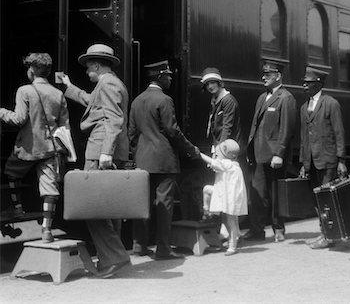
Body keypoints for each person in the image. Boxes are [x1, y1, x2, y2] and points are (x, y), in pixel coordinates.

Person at [61, 44, 131, 278]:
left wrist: (106, 153)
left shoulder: (108, 83)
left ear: (97, 65)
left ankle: (115, 257)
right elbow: (93, 102)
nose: (87, 72)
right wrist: (69, 87)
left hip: (101, 148)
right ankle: (111, 258)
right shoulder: (109, 83)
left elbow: (113, 118)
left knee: (93, 206)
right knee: (110, 208)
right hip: (107, 148)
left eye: (89, 68)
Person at [129, 60, 201, 260]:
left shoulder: (136, 101)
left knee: (141, 203)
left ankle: (138, 246)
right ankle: (163, 248)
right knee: (164, 204)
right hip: (164, 161)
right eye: (167, 75)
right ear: (159, 77)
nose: (170, 78)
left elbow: (132, 134)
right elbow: (172, 131)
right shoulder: (164, 100)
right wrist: (190, 149)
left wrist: (139, 155)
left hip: (143, 161)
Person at [0, 53, 69, 243]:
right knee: (50, 189)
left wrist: (2, 112)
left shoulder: (25, 91)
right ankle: (47, 230)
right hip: (52, 148)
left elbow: (19, 119)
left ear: (31, 70)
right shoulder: (58, 94)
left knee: (11, 172)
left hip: (29, 148)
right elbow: (64, 125)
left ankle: (17, 207)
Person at [245, 60, 296, 242]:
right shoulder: (262, 98)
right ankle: (257, 230)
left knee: (276, 194)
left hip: (274, 155)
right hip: (259, 153)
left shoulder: (286, 98)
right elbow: (255, 126)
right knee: (257, 194)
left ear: (278, 76)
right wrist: (250, 150)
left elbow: (287, 129)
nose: (263, 77)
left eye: (268, 74)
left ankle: (278, 229)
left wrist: (279, 154)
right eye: (263, 74)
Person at [299, 66, 347, 249]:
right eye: (304, 82)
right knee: (317, 200)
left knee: (327, 199)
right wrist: (304, 162)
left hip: (327, 160)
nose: (304, 85)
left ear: (318, 84)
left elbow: (339, 133)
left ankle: (329, 236)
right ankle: (325, 233)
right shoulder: (305, 107)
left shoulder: (331, 103)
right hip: (312, 161)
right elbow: (304, 137)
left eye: (308, 83)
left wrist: (341, 160)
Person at [200, 139, 248, 256]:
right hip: (224, 194)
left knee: (230, 220)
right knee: (207, 190)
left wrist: (199, 154)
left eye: (218, 153)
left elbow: (214, 163)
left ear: (225, 154)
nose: (216, 155)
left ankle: (233, 246)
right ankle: (207, 209)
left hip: (230, 198)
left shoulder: (227, 164)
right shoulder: (233, 165)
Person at [200, 67, 241, 153]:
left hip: (230, 149)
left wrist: (220, 151)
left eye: (212, 82)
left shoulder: (228, 100)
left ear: (219, 83)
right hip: (220, 145)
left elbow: (227, 128)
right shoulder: (215, 100)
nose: (210, 87)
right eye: (207, 84)